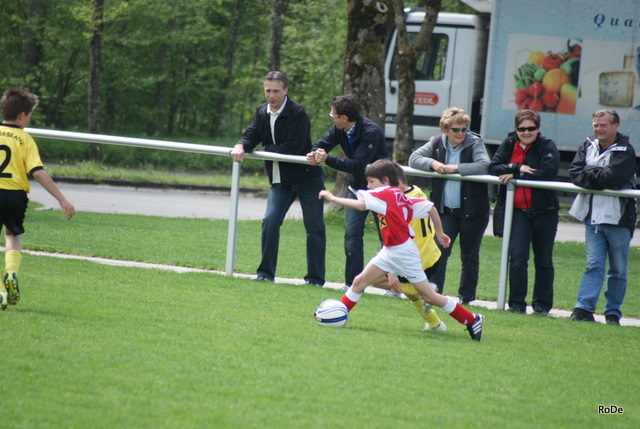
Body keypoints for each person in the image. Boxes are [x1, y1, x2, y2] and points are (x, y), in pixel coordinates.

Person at [319, 159, 484, 341]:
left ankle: (471, 319)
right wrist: (440, 233)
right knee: (359, 282)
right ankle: (338, 315)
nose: (368, 186)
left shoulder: (385, 193)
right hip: (390, 250)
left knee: (429, 297)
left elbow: (360, 205)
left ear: (385, 180)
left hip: (403, 253)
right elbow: (430, 207)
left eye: (371, 182)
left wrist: (332, 198)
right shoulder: (399, 196)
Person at [230, 71, 325, 286]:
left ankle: (315, 279)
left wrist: (265, 150)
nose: (271, 96)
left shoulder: (297, 112)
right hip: (280, 181)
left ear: (285, 90)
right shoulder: (261, 112)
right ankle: (265, 273)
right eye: (267, 91)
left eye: (276, 91)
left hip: (307, 179)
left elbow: (294, 147)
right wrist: (241, 145)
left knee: (314, 228)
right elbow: (251, 134)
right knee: (270, 222)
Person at [0, 88, 75, 310]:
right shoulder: (25, 139)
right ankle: (11, 271)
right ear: (22, 115)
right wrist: (62, 199)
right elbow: (38, 172)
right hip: (15, 194)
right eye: (29, 115)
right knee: (11, 235)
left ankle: (1, 293)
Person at [408, 107, 490, 304]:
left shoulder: (475, 142)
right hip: (445, 211)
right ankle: (434, 293)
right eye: (456, 129)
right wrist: (433, 163)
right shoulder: (436, 142)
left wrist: (457, 168)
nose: (461, 133)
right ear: (445, 129)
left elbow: (484, 165)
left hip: (473, 211)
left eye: (464, 129)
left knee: (469, 255)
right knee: (439, 250)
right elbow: (413, 159)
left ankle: (466, 299)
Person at [306, 95, 388, 290]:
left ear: (343, 117)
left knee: (387, 239)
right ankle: (352, 284)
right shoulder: (339, 128)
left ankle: (392, 285)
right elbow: (320, 144)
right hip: (356, 189)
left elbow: (357, 165)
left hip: (382, 192)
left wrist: (327, 159)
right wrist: (315, 154)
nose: (331, 118)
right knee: (352, 236)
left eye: (332, 115)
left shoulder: (371, 132)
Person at [568, 109, 637, 325]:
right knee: (593, 265)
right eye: (596, 125)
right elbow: (575, 174)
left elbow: (614, 176)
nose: (598, 129)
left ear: (615, 126)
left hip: (619, 219)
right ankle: (583, 309)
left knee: (617, 270)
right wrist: (600, 176)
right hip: (593, 218)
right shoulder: (587, 145)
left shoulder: (626, 150)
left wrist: (591, 172)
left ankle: (612, 313)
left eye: (603, 125)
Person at [489, 110, 560, 315]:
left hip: (545, 212)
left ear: (538, 129)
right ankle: (517, 305)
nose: (526, 132)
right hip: (518, 212)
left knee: (543, 260)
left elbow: (548, 172)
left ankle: (542, 306)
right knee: (518, 258)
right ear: (516, 129)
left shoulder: (547, 145)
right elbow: (493, 167)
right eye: (522, 129)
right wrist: (517, 167)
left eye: (531, 128)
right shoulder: (509, 144)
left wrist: (515, 175)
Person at [369, 164, 446, 332]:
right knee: (411, 294)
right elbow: (431, 210)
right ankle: (435, 324)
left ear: (393, 182)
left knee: (376, 280)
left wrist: (391, 272)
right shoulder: (417, 191)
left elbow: (397, 239)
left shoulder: (398, 204)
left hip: (414, 258)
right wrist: (440, 233)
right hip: (431, 253)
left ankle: (429, 295)